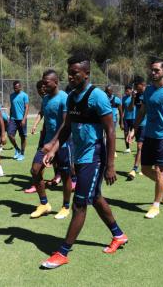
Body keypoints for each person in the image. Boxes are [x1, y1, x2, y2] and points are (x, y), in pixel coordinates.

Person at [40, 54, 127, 269]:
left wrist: (111, 166)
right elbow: (67, 127)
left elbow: (110, 130)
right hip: (79, 156)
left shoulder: (96, 96)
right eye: (69, 73)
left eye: (75, 73)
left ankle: (63, 251)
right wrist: (53, 147)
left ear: (86, 74)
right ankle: (119, 234)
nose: (70, 76)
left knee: (80, 204)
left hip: (94, 156)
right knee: (95, 197)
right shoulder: (70, 97)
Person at [128, 60, 163, 219]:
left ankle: (156, 206)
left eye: (156, 70)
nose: (153, 73)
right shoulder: (148, 91)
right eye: (151, 70)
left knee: (159, 171)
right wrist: (134, 129)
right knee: (145, 169)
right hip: (148, 135)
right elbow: (142, 111)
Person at [28, 70, 73, 220]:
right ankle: (44, 204)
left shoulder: (64, 98)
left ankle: (66, 207)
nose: (44, 84)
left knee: (66, 175)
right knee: (35, 170)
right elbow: (47, 121)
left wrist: (53, 143)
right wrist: (44, 140)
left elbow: (66, 123)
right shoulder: (45, 99)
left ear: (56, 82)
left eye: (46, 82)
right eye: (43, 81)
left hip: (63, 142)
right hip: (47, 143)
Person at [126, 76, 147, 180]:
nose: (136, 89)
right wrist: (133, 98)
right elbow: (130, 109)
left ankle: (139, 168)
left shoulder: (149, 94)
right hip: (139, 124)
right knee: (140, 147)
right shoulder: (137, 95)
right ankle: (136, 168)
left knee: (141, 146)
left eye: (137, 87)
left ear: (143, 84)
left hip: (148, 125)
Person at [8, 81, 30, 161]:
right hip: (13, 119)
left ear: (20, 87)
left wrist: (24, 119)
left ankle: (22, 154)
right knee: (10, 134)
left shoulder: (25, 95)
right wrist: (10, 118)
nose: (15, 89)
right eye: (14, 88)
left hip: (22, 119)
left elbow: (27, 107)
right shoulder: (11, 96)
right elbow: (12, 107)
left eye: (16, 87)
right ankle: (17, 149)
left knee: (23, 137)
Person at [105, 85, 123, 158]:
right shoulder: (103, 98)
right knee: (104, 136)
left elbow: (121, 112)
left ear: (111, 92)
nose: (106, 93)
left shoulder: (116, 100)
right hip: (104, 120)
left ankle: (113, 151)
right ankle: (106, 150)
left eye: (108, 91)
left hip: (113, 121)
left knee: (111, 136)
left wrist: (121, 122)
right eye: (105, 91)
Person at [121, 85, 135, 154]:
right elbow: (122, 109)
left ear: (131, 90)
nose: (126, 92)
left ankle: (140, 147)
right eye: (125, 91)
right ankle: (127, 148)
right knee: (126, 133)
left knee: (134, 133)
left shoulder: (135, 97)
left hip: (134, 118)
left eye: (128, 91)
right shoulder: (124, 98)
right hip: (126, 118)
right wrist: (121, 121)